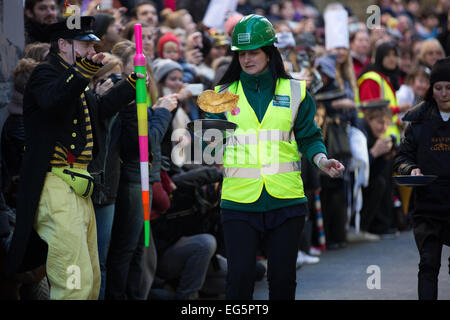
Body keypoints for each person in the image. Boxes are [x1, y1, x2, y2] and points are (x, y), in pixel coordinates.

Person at [205, 14, 344, 300]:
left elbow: (309, 137)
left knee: (282, 281)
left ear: (269, 52)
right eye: (241, 53)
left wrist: (321, 160)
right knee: (240, 279)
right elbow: (210, 148)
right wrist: (196, 143)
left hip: (286, 201)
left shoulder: (296, 90)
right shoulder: (219, 95)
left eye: (253, 52)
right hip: (238, 202)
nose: (246, 59)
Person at [4, 16, 143, 300]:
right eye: (84, 46)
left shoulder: (76, 79)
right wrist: (83, 72)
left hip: (78, 184)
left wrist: (131, 85)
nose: (92, 53)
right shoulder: (46, 74)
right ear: (63, 44)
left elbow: (100, 109)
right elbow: (54, 100)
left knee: (90, 277)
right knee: (73, 279)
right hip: (55, 184)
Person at [394, 57, 450, 300]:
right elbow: (402, 157)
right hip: (427, 205)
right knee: (428, 265)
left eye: (449, 87)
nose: (444, 93)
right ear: (431, 89)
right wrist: (411, 168)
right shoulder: (417, 121)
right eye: (438, 88)